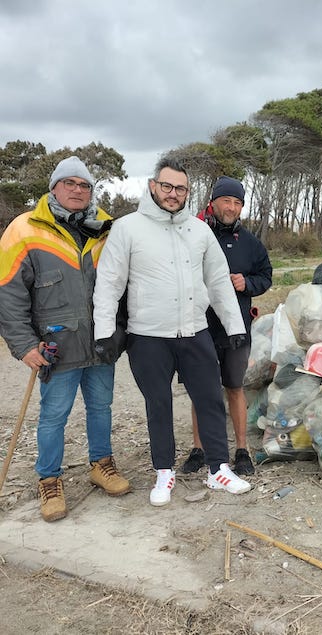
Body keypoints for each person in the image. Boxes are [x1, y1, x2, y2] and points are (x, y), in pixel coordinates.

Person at [93, 157, 251, 507]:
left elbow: (218, 282)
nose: (173, 193)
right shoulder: (128, 228)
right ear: (153, 186)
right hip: (148, 336)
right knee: (158, 403)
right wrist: (104, 332)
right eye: (167, 186)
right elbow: (109, 284)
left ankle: (218, 469)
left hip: (195, 333)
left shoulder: (199, 231)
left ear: (188, 193)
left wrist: (234, 326)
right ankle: (164, 471)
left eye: (180, 188)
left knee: (210, 399)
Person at [0, 156, 130, 522]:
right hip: (55, 346)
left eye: (84, 185)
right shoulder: (24, 229)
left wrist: (121, 332)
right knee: (54, 415)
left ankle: (101, 463)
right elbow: (8, 293)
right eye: (69, 183)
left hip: (101, 342)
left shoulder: (105, 229)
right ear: (54, 187)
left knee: (101, 407)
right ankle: (49, 480)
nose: (77, 190)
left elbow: (125, 285)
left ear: (92, 192)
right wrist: (24, 345)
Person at [181, 176, 272, 476]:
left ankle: (242, 450)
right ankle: (199, 449)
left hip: (236, 330)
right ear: (213, 202)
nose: (231, 207)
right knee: (201, 389)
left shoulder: (250, 243)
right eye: (226, 201)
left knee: (234, 387)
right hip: (198, 326)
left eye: (237, 203)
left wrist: (246, 282)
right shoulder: (193, 233)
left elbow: (266, 275)